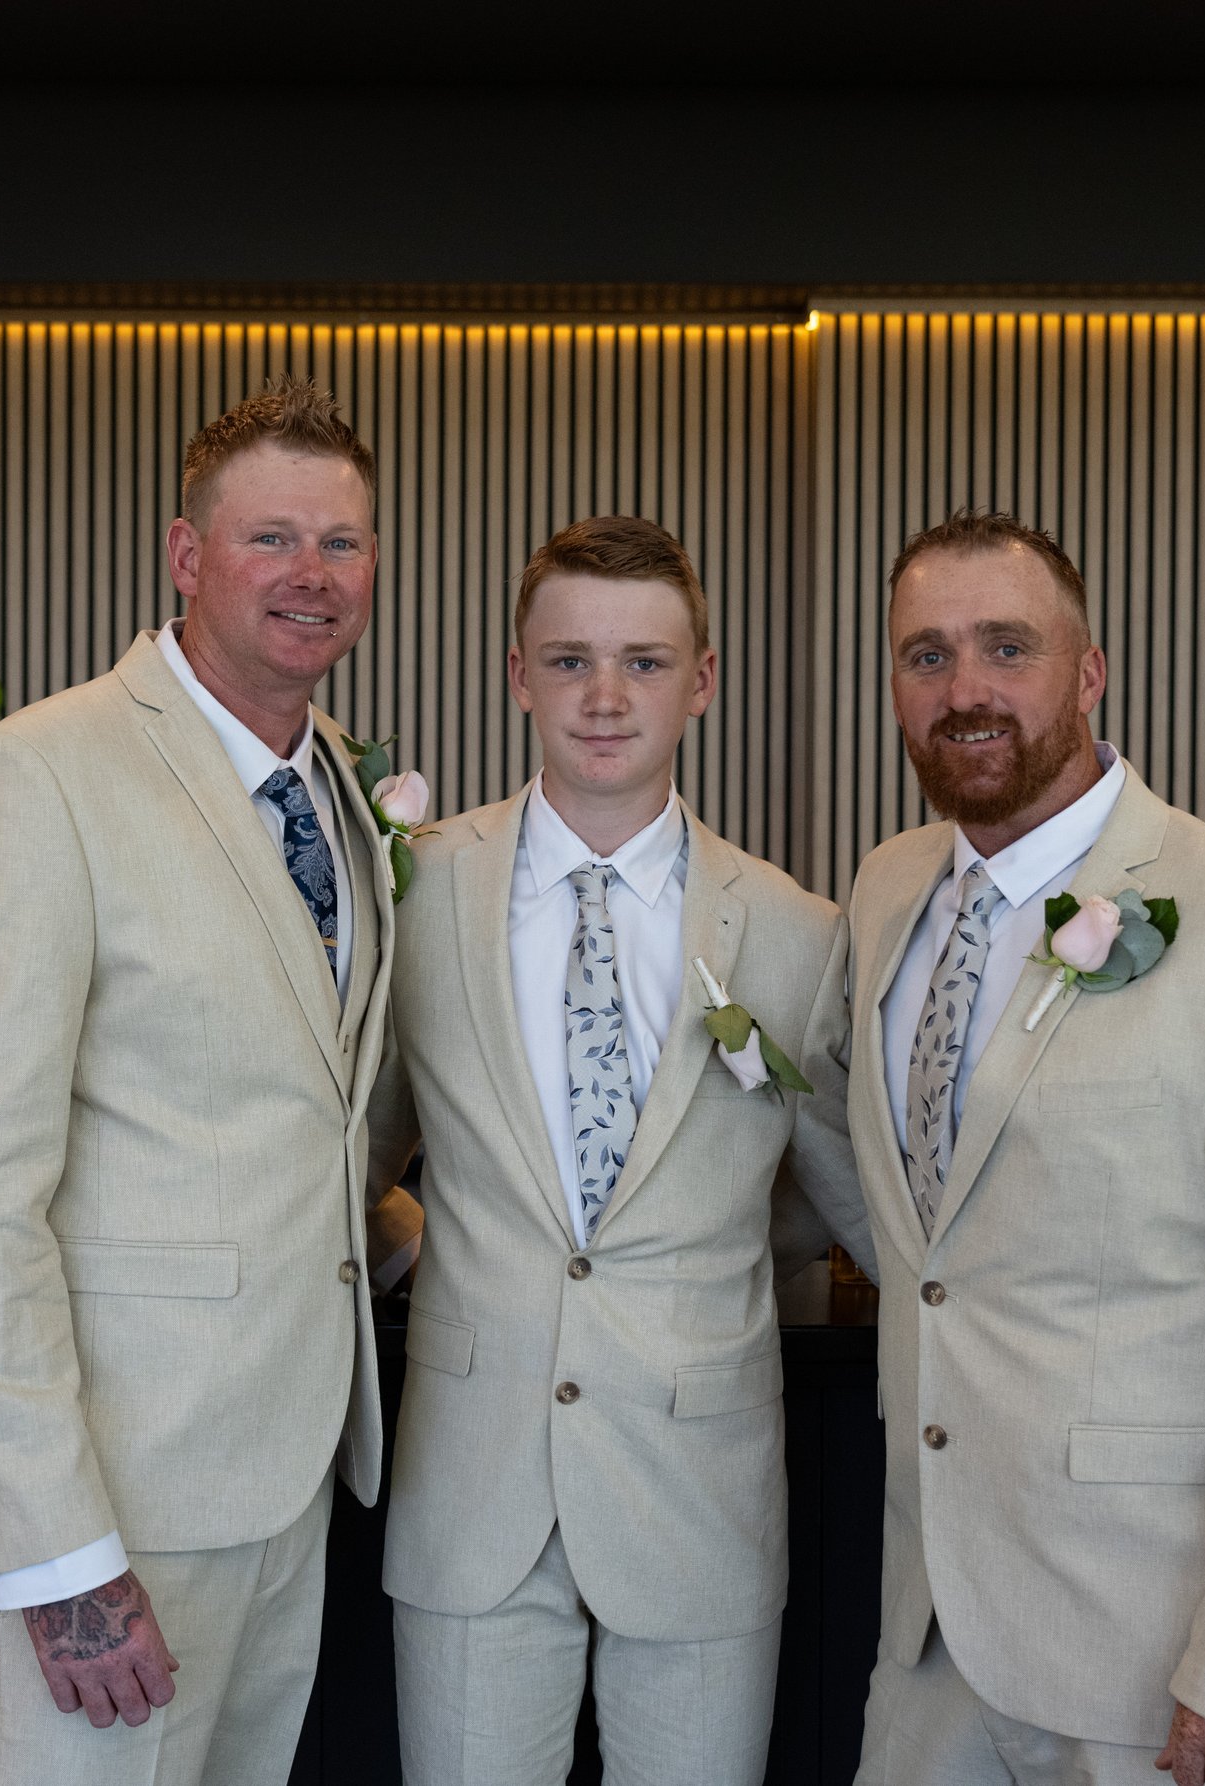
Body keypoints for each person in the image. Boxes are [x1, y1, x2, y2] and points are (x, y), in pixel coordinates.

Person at [844, 512, 1205, 1786]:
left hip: (1163, 1676)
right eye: (926, 655)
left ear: (1089, 672)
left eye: (1008, 647)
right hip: (926, 1655)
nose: (965, 688)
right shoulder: (886, 892)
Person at [0, 379, 397, 1785]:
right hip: (115, 1506)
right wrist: (60, 1550)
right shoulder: (36, 776)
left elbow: (302, 1109)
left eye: (342, 542)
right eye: (270, 537)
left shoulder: (338, 782)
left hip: (288, 1484)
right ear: (186, 554)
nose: (310, 573)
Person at [363, 515, 875, 1786]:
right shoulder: (416, 894)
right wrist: (420, 1241)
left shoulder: (797, 931)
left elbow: (835, 1193)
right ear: (517, 674)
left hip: (699, 1493)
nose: (604, 697)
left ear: (702, 680)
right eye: (569, 660)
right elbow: (345, 1151)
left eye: (644, 662)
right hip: (471, 1491)